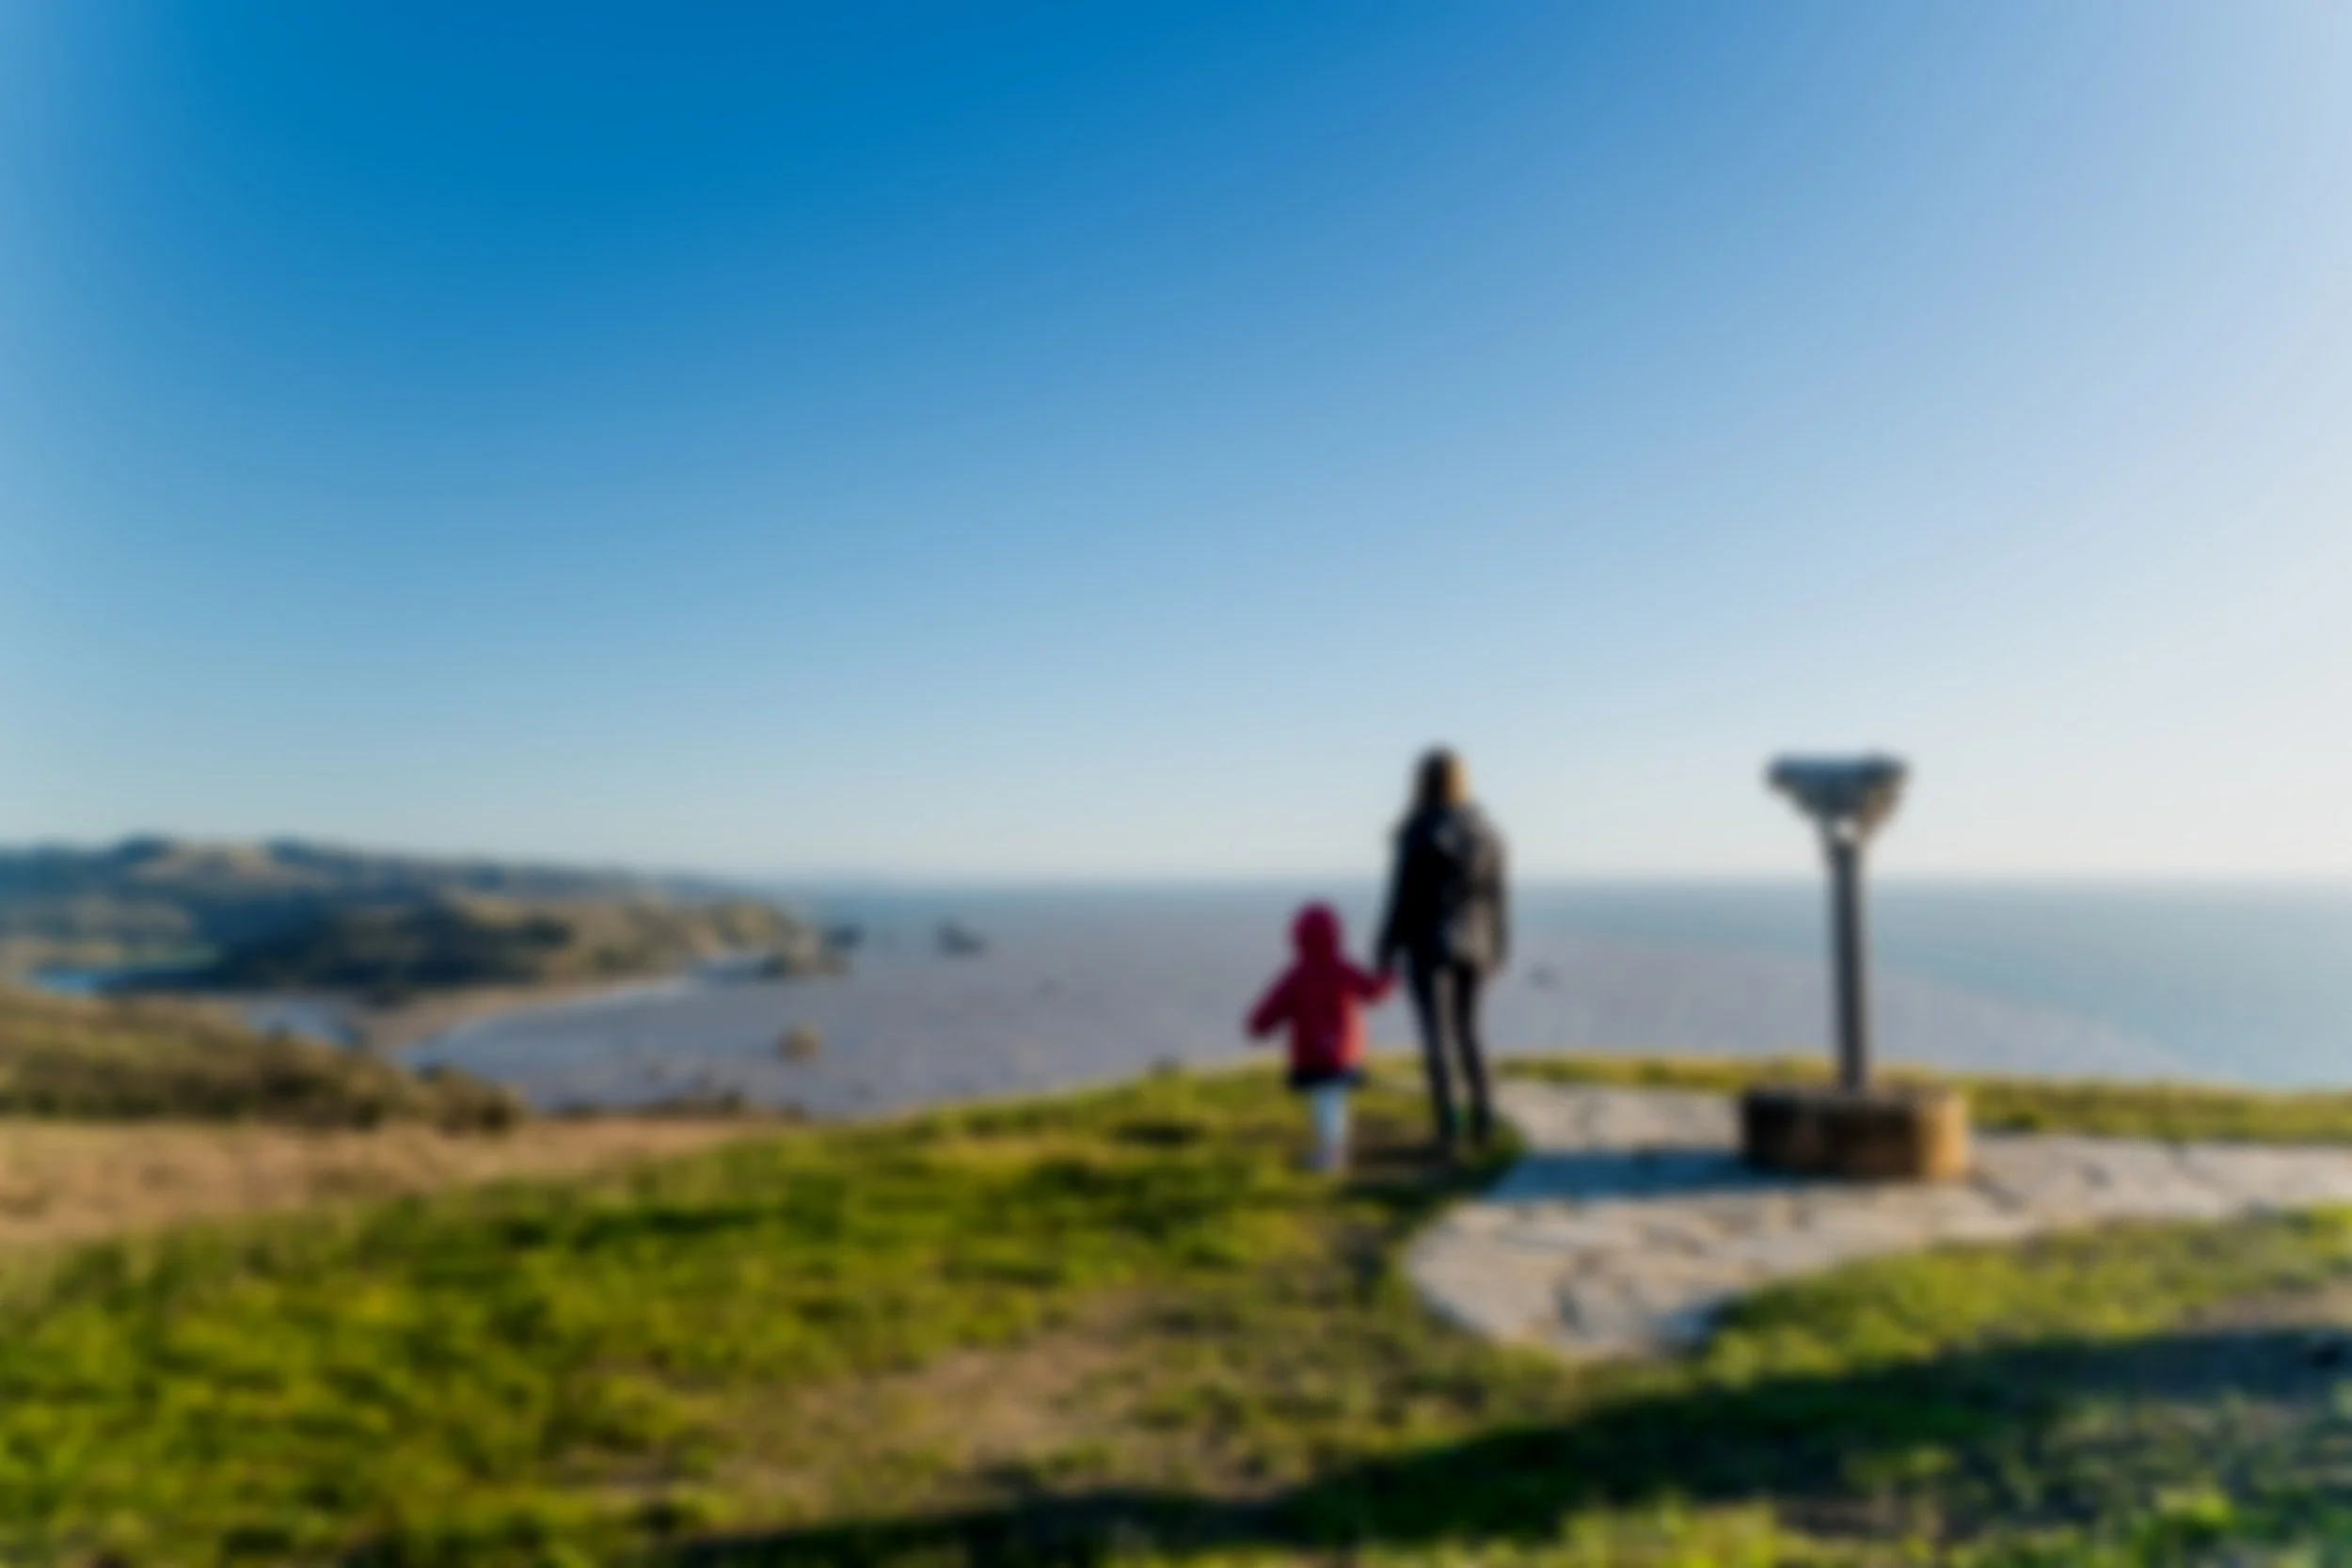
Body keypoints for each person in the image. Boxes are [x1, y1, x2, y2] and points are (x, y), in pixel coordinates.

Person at [1376, 748, 1508, 1153]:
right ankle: (1484, 1117)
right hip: (1477, 943)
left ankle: (1448, 1128)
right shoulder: (1487, 832)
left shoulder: (1417, 830)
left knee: (1436, 1037)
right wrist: (1498, 947)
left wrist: (1385, 947)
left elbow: (1403, 897)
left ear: (1421, 781)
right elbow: (1496, 897)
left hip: (1428, 943)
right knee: (1470, 1032)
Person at [1246, 902, 1394, 1173]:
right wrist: (1390, 974)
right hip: (1343, 1055)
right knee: (1334, 1104)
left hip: (1312, 1057)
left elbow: (1267, 1014)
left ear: (1297, 937)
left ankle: (1331, 1158)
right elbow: (1373, 991)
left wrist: (1256, 1026)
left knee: (1324, 1106)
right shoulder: (1342, 969)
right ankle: (1334, 1154)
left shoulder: (1296, 976)